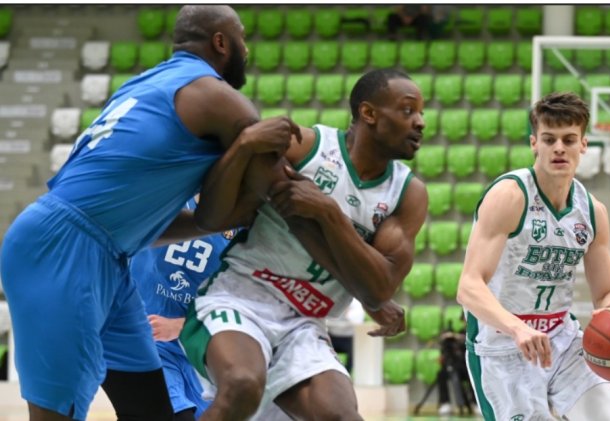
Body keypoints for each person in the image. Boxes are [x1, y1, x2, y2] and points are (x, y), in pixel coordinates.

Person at [0, 6, 301, 420]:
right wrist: (248, 145)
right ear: (221, 42)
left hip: (105, 250)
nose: (246, 49)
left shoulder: (143, 84)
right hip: (64, 250)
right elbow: (280, 193)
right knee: (56, 415)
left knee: (151, 411)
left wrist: (219, 219)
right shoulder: (215, 95)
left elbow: (158, 227)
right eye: (242, 38)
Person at [179, 68, 429, 420]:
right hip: (240, 297)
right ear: (368, 113)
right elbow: (216, 215)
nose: (420, 122)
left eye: (421, 113)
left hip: (305, 322)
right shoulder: (307, 147)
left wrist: (329, 213)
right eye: (407, 110)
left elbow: (380, 287)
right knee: (242, 385)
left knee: (342, 417)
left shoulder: (407, 193)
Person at [456, 92, 610, 421]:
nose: (559, 148)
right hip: (502, 345)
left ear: (583, 145)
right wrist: (518, 329)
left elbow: (605, 293)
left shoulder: (592, 211)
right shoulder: (509, 196)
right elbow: (469, 287)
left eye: (569, 139)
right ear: (534, 144)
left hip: (562, 339)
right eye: (549, 139)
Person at [130, 196, 236, 421]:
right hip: (150, 340)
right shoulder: (164, 196)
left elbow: (247, 304)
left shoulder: (248, 223)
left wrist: (181, 325)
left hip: (204, 347)